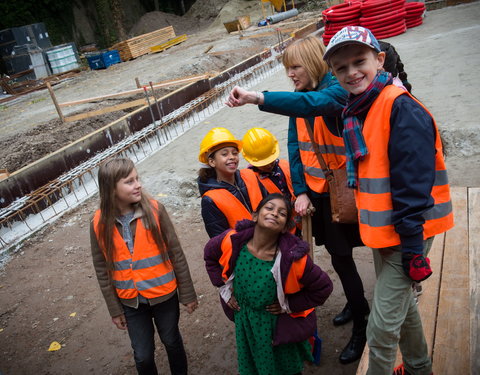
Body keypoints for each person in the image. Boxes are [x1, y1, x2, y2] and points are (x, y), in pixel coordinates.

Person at [228, 35, 371, 365]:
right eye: (286, 68)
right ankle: (356, 303)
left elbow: (314, 105)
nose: (290, 74)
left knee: (346, 253)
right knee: (339, 257)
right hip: (319, 193)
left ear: (311, 62)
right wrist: (302, 191)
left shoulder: (335, 90)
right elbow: (294, 146)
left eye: (294, 67)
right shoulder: (300, 96)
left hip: (345, 190)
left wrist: (256, 97)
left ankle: (363, 325)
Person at [323, 26, 454, 375]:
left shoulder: (400, 109)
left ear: (379, 60)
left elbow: (413, 186)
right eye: (341, 68)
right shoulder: (362, 107)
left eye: (359, 61)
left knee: (380, 331)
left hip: (408, 234)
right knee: (403, 309)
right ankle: (418, 367)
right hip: (387, 233)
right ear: (333, 74)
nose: (352, 72)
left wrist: (412, 249)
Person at [90, 157, 198, 375]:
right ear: (111, 189)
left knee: (171, 341)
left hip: (164, 294)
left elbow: (176, 253)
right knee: (143, 355)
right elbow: (102, 269)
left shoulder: (156, 210)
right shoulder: (98, 223)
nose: (138, 184)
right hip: (131, 301)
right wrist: (114, 309)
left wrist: (187, 293)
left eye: (137, 178)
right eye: (129, 181)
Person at [204, 193, 333, 375]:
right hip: (246, 323)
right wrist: (224, 289)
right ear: (255, 215)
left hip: (277, 326)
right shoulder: (232, 240)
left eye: (282, 213)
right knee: (256, 366)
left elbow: (324, 288)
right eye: (269, 208)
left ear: (284, 228)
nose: (274, 213)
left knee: (286, 368)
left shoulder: (293, 259)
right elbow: (210, 256)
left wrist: (289, 305)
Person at [197, 127, 268, 238]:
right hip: (245, 252)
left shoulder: (250, 175)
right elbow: (220, 240)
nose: (232, 157)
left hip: (271, 238)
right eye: (224, 154)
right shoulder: (210, 200)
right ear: (212, 162)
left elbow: (268, 203)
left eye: (234, 153)